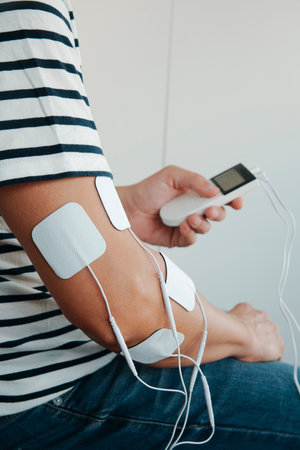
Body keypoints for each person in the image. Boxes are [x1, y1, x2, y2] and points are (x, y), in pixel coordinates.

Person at [0, 1, 299, 448]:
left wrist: (115, 215)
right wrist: (244, 335)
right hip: (37, 395)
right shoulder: (20, 17)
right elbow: (129, 315)